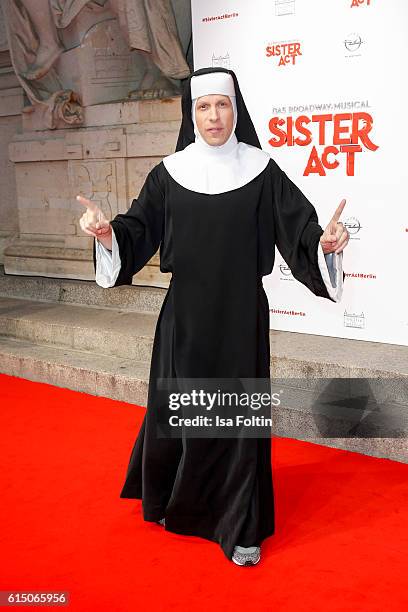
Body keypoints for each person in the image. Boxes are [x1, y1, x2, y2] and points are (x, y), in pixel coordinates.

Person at [77, 67, 349, 566]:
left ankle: (240, 526)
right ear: (192, 113)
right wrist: (107, 234)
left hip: (242, 316)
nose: (213, 115)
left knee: (238, 419)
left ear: (236, 109)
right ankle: (173, 497)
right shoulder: (168, 172)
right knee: (181, 409)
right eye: (203, 106)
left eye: (221, 104)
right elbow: (136, 230)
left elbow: (301, 230)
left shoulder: (262, 170)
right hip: (185, 316)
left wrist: (323, 244)